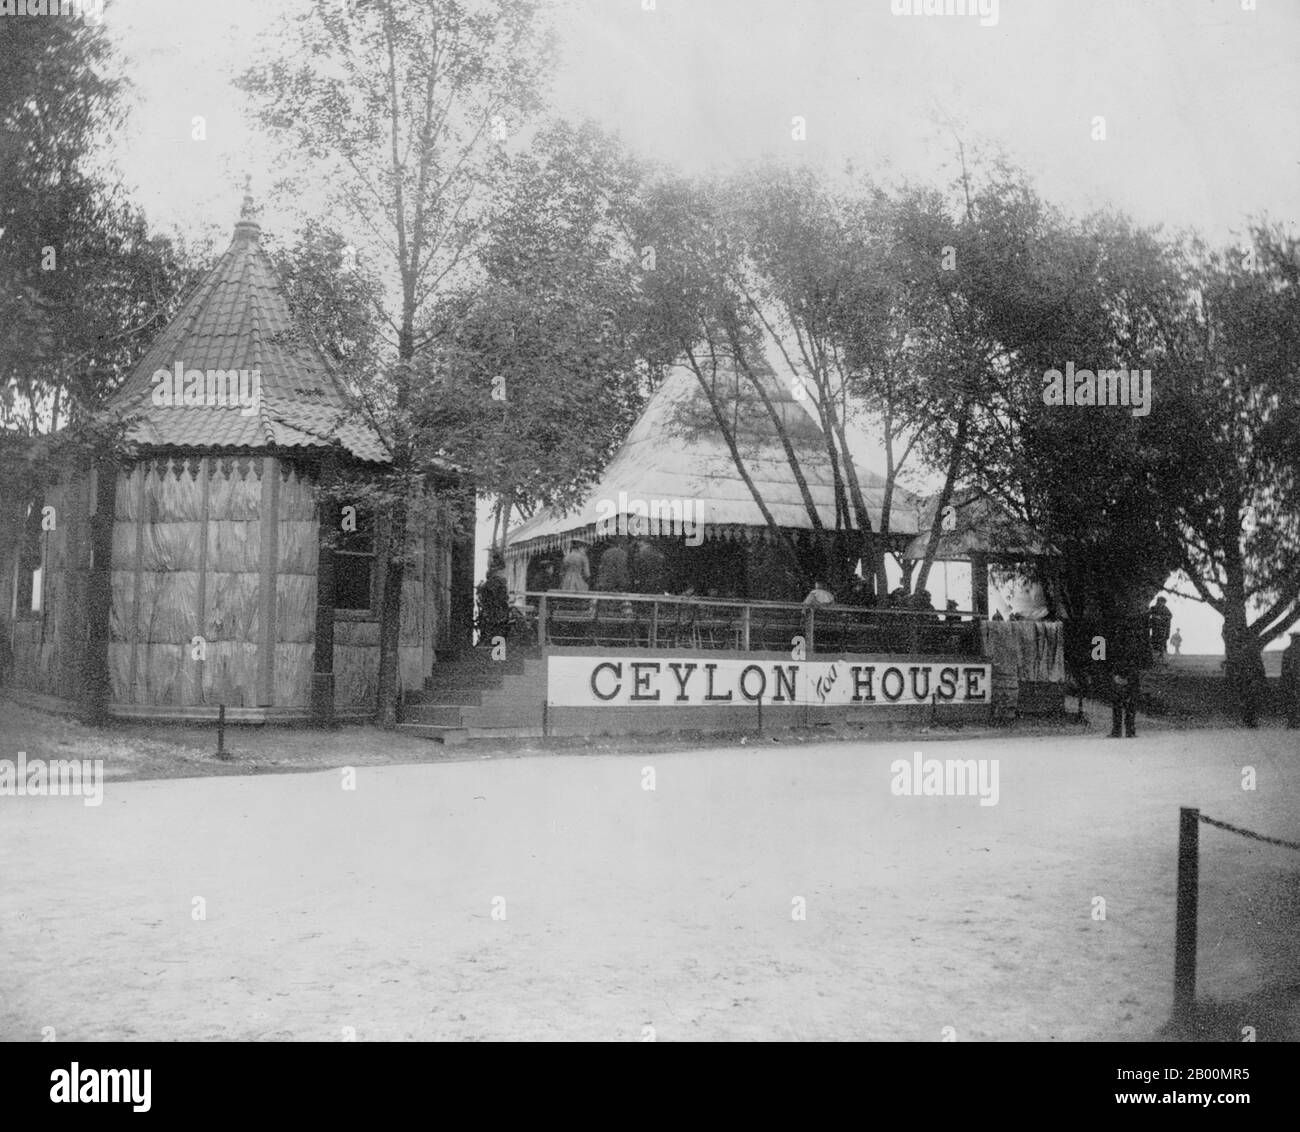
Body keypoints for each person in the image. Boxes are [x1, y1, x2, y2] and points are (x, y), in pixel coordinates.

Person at [475, 555, 511, 645]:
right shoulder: (499, 583)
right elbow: (503, 599)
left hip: (488, 615)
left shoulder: (487, 583)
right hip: (498, 616)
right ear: (499, 571)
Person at [1282, 631, 1300, 730]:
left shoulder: (1288, 651)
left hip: (1292, 680)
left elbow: (1284, 668)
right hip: (1292, 680)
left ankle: (1293, 722)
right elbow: (1285, 668)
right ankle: (1293, 722)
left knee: (1292, 701)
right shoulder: (1288, 652)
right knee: (1293, 701)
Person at [1148, 596, 1172, 661]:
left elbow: (1169, 616)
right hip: (1155, 628)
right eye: (1161, 602)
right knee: (1154, 641)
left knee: (1162, 642)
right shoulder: (1153, 608)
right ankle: (1155, 656)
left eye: (1163, 602)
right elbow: (1148, 614)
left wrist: (1161, 618)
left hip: (1163, 629)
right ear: (1158, 601)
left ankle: (1162, 656)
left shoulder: (1166, 609)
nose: (1162, 603)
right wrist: (1153, 618)